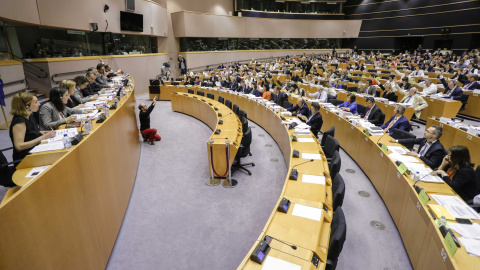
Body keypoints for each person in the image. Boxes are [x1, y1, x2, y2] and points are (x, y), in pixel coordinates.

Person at [9, 93, 56, 165]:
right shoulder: (19, 122)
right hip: (25, 158)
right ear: (26, 105)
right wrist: (43, 137)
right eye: (36, 102)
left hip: (34, 150)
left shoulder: (29, 114)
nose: (39, 104)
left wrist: (41, 133)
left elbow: (28, 133)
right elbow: (19, 146)